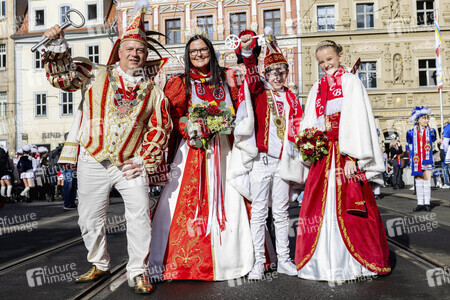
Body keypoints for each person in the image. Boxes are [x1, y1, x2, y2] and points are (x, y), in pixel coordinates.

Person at [41, 6, 171, 294]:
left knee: (139, 215)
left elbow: (160, 129)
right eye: (130, 48)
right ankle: (99, 263)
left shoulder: (154, 92)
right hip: (92, 158)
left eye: (140, 50)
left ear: (146, 56)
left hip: (130, 165)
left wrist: (144, 158)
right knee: (89, 218)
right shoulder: (93, 72)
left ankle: (137, 271)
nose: (135, 54)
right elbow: (61, 79)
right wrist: (58, 46)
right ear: (118, 51)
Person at [148, 33, 253, 282]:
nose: (198, 54)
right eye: (193, 51)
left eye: (203, 49)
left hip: (226, 151)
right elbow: (172, 116)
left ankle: (231, 258)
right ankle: (180, 261)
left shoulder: (228, 77)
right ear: (188, 55)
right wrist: (190, 129)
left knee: (230, 196)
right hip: (193, 151)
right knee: (182, 202)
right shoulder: (179, 82)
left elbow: (243, 107)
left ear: (211, 51)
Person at [294, 40, 390, 281]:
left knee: (350, 206)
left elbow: (356, 120)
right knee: (318, 206)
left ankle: (354, 262)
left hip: (344, 154)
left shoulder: (350, 81)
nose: (326, 65)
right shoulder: (317, 87)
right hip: (323, 154)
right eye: (321, 62)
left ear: (339, 56)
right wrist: (309, 142)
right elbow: (310, 120)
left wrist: (351, 157)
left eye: (329, 59)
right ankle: (320, 262)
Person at [228, 28, 306, 280]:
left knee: (282, 213)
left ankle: (284, 259)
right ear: (266, 73)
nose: (277, 76)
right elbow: (250, 74)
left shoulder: (293, 98)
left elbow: (299, 127)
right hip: (262, 161)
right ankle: (258, 261)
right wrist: (249, 52)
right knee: (260, 211)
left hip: (284, 162)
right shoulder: (259, 90)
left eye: (281, 72)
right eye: (272, 72)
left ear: (286, 73)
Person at [406, 107, 437, 212]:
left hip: (427, 159)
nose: (426, 120)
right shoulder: (410, 132)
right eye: (424, 118)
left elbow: (433, 139)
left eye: (427, 118)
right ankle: (420, 203)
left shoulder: (431, 131)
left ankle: (427, 203)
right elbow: (409, 144)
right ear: (418, 119)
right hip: (416, 159)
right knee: (418, 181)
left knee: (427, 180)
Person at [441, 121, 450, 188]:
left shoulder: (448, 128)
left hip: (447, 151)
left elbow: (445, 143)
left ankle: (447, 183)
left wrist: (446, 152)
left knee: (446, 168)